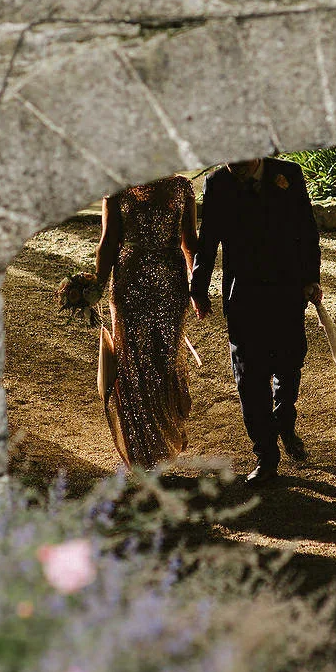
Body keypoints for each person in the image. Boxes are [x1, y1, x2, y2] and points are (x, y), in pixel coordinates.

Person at [190, 157, 323, 484]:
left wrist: (311, 279)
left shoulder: (288, 175)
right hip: (243, 299)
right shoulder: (217, 183)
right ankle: (266, 455)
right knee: (250, 380)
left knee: (289, 366)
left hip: (287, 292)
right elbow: (206, 244)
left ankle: (284, 419)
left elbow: (307, 232)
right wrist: (198, 289)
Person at [92, 175, 199, 469]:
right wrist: (94, 288)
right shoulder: (116, 187)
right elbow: (109, 242)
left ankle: (161, 441)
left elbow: (189, 241)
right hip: (131, 285)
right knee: (135, 364)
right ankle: (143, 452)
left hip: (169, 286)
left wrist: (198, 287)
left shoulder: (180, 187)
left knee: (161, 362)